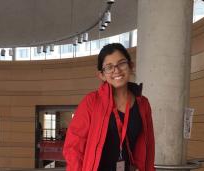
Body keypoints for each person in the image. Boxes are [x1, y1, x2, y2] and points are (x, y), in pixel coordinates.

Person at [63, 43, 155, 171]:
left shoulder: (143, 104)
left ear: (131, 66)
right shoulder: (91, 102)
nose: (116, 70)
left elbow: (149, 147)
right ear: (102, 75)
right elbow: (74, 147)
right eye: (109, 67)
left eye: (121, 63)